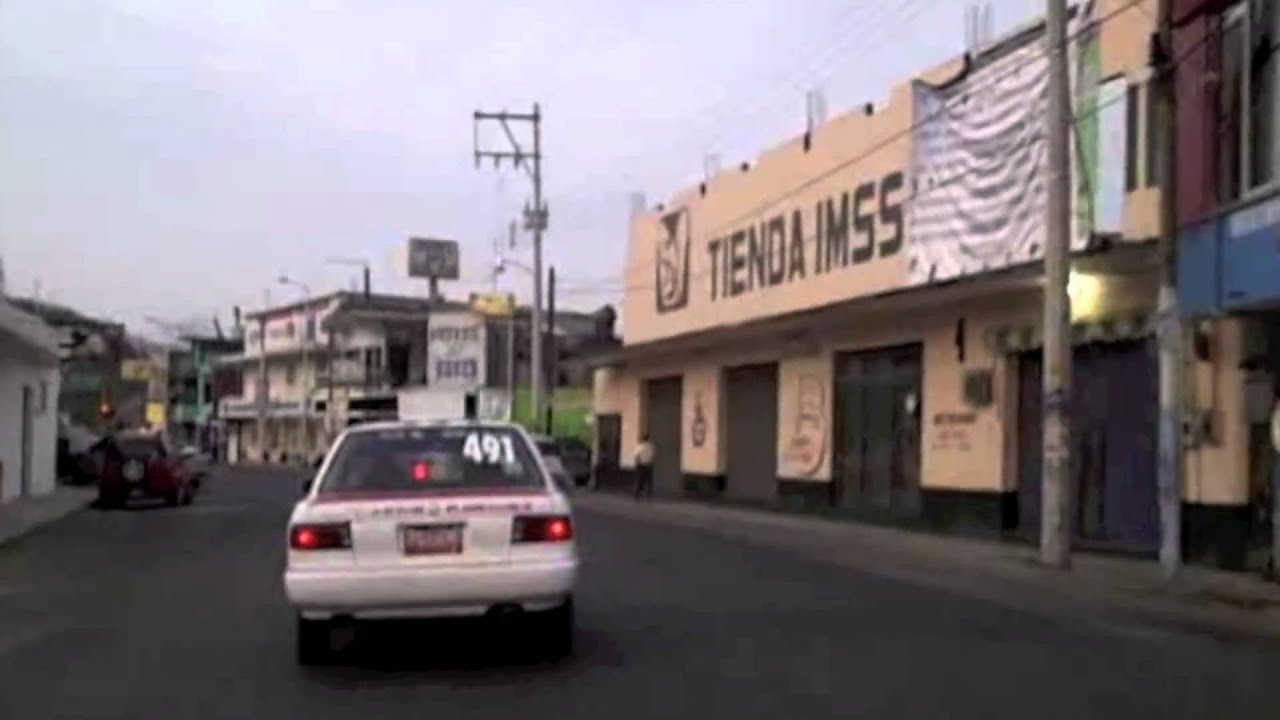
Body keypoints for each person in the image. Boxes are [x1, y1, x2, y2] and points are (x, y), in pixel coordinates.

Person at [633, 433, 654, 500]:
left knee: (639, 480)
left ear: (642, 439)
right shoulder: (651, 447)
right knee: (648, 480)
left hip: (641, 464)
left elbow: (636, 456)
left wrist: (637, 464)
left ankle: (637, 494)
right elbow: (652, 456)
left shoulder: (639, 446)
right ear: (648, 439)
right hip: (648, 465)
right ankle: (648, 494)